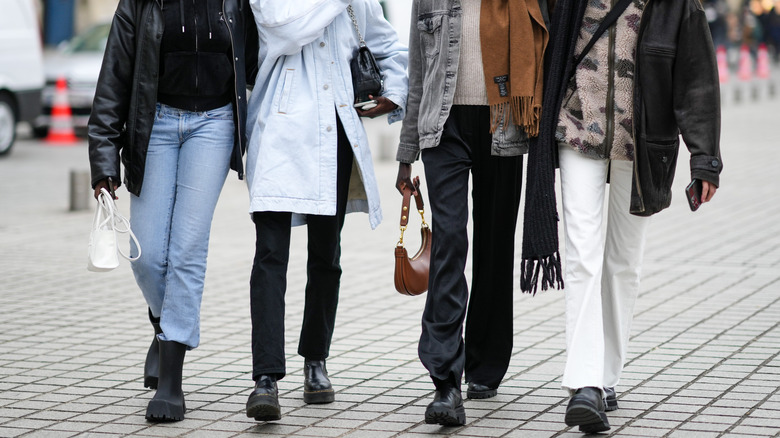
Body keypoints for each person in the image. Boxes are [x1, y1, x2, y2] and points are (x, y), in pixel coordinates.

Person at [529, 0, 724, 432]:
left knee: (622, 263)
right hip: (576, 128)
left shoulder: (676, 5)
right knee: (582, 254)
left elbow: (696, 78)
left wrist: (704, 157)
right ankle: (585, 383)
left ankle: (606, 374)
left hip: (642, 144)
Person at [88, 0, 258, 422]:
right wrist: (103, 163)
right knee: (145, 254)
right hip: (155, 123)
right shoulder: (140, 4)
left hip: (214, 124)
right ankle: (166, 329)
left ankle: (171, 381)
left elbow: (258, 64)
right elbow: (112, 81)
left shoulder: (238, 2)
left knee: (187, 249)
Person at [244, 0, 408, 422]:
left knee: (325, 255)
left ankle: (315, 360)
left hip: (334, 129)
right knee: (269, 257)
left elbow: (386, 42)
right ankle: (266, 377)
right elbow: (285, 29)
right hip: (279, 130)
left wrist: (395, 91)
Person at [396, 0, 551, 426]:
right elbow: (416, 70)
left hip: (503, 123)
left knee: (495, 244)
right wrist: (406, 155)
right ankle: (445, 378)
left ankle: (485, 364)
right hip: (442, 126)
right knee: (449, 240)